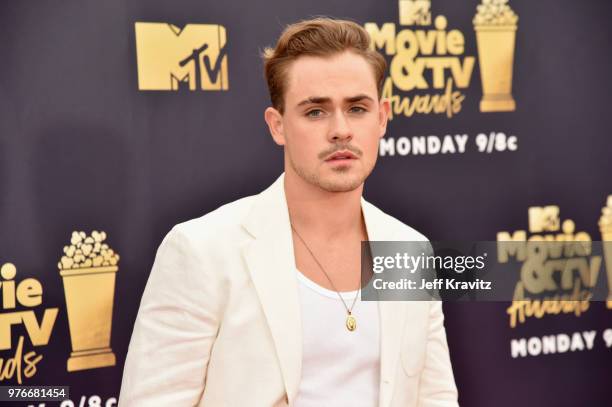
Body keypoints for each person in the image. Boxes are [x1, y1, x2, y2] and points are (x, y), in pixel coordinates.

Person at [119, 17, 458, 407]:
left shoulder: (408, 249)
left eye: (357, 108)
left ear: (381, 118)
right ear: (277, 126)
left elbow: (435, 399)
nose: (341, 130)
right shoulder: (203, 250)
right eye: (315, 112)